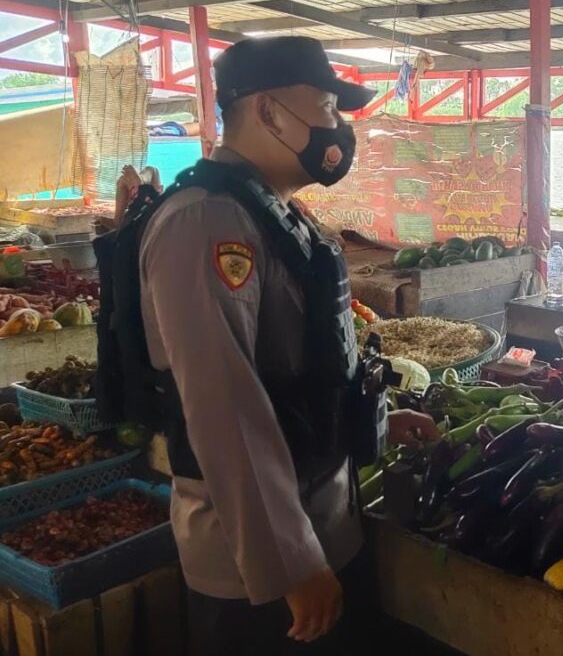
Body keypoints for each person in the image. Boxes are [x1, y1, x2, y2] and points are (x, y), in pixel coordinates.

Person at [97, 36, 437, 655]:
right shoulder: (205, 222)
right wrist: (292, 562)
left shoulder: (277, 212)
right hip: (259, 572)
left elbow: (303, 364)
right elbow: (223, 405)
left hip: (323, 524)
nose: (339, 128)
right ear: (270, 112)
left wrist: (375, 414)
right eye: (329, 107)